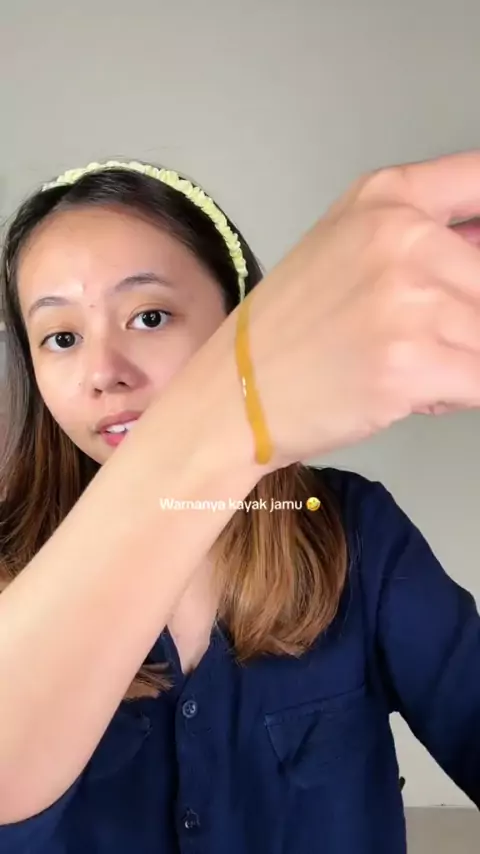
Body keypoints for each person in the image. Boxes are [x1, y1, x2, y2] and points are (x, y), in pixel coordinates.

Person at [0, 153, 479, 854]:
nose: (104, 373)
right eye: (62, 338)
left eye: (150, 316)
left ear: (238, 317)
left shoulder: (353, 532)